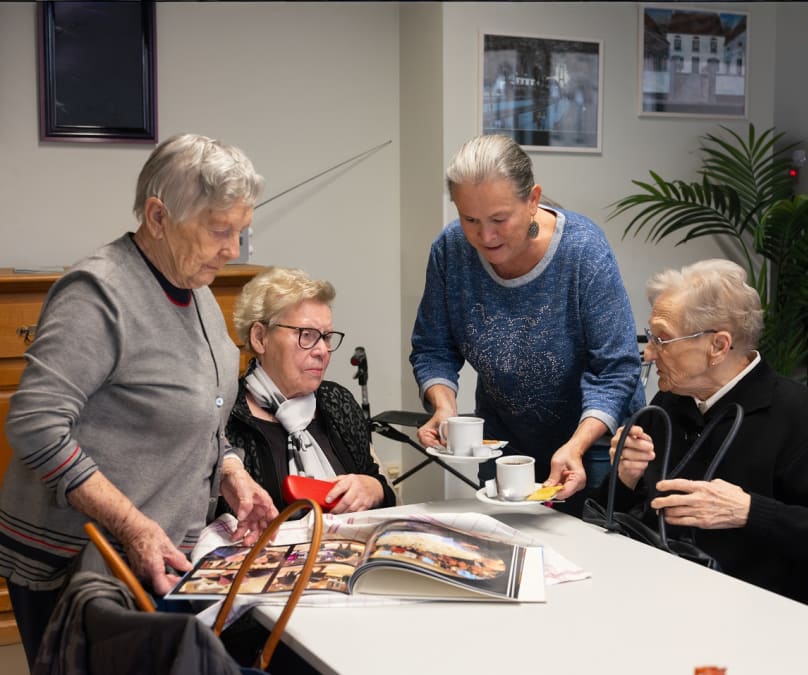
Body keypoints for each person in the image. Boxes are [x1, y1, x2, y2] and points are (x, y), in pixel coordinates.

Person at [0, 133, 278, 667]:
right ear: (158, 215)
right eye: (220, 230)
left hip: (155, 552)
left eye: (241, 232)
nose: (232, 250)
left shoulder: (197, 291)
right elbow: (36, 426)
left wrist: (232, 473)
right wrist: (134, 525)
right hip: (80, 561)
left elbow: (204, 416)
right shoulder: (98, 293)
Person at [410, 134, 644, 503]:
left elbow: (616, 369)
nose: (484, 236)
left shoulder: (583, 252)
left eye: (499, 219)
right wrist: (444, 406)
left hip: (596, 443)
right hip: (507, 447)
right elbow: (433, 347)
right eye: (469, 219)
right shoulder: (450, 251)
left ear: (533, 200)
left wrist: (577, 445)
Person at [606, 258, 808, 602]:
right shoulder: (668, 401)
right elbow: (611, 515)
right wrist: (624, 479)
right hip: (654, 596)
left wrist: (749, 511)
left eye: (662, 339)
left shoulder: (795, 412)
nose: (648, 353)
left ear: (718, 346)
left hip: (754, 618)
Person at [225, 267, 396, 513]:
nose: (322, 351)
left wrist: (374, 488)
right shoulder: (228, 416)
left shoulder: (337, 402)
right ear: (260, 338)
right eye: (307, 335)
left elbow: (378, 487)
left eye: (326, 337)